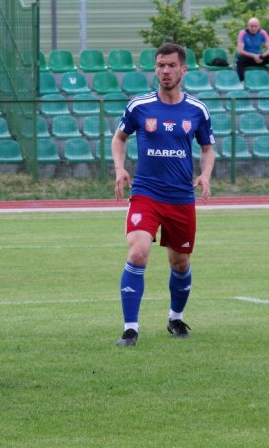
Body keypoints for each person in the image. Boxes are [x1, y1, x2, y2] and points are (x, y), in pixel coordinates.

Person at [112, 43, 215, 347]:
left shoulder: (196, 110)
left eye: (171, 65)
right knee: (137, 251)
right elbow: (119, 139)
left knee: (180, 263)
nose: (165, 71)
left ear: (183, 69)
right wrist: (119, 168)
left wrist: (205, 175)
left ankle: (175, 317)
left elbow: (208, 149)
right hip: (146, 193)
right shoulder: (139, 106)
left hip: (181, 196)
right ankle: (130, 328)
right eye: (160, 65)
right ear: (155, 69)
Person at [235, 17, 269, 81]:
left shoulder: (263, 33)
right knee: (240, 58)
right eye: (251, 26)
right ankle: (241, 81)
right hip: (247, 59)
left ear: (259, 26)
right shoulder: (243, 33)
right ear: (248, 26)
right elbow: (240, 51)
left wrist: (261, 56)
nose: (253, 28)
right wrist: (253, 56)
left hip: (259, 58)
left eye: (256, 26)